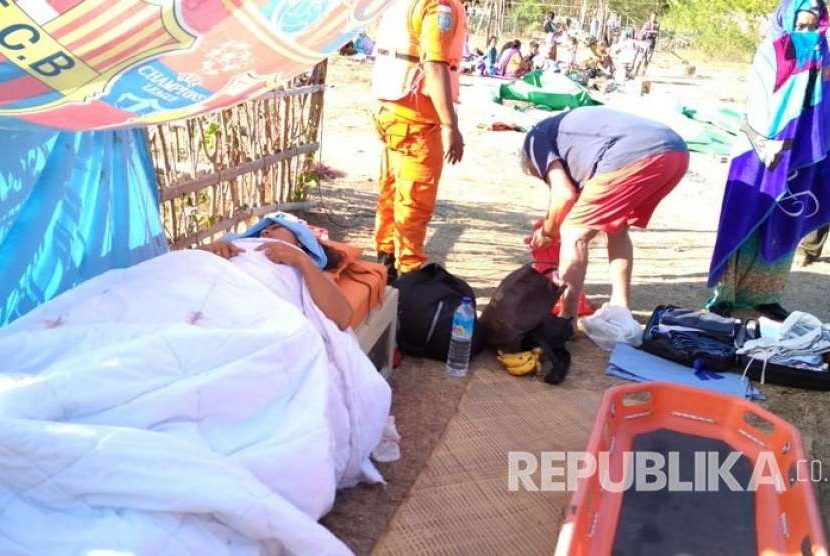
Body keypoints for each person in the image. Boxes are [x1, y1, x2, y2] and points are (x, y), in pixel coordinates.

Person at [707, 0, 830, 320]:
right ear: (786, 22)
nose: (807, 34)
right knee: (746, 213)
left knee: (787, 217)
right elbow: (763, 101)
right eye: (800, 27)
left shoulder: (822, 53)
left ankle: (766, 295)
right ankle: (726, 294)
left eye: (813, 27)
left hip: (806, 151)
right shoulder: (771, 51)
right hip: (762, 148)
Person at [520, 107, 689, 334]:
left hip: (634, 154)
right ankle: (620, 308)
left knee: (573, 233)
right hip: (676, 153)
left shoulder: (535, 141)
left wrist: (548, 234)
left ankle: (566, 320)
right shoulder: (567, 139)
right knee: (617, 228)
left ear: (531, 163)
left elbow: (563, 194)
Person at [370, 0, 467, 281]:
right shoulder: (439, 7)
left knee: (392, 193)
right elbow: (435, 64)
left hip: (390, 107)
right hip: (415, 115)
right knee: (414, 201)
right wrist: (450, 124)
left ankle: (384, 270)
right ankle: (406, 282)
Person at [199, 214, 354, 330]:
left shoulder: (306, 268)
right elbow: (185, 268)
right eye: (264, 229)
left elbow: (343, 317)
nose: (265, 232)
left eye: (276, 228)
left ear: (300, 242)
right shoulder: (238, 245)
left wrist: (303, 261)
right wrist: (206, 252)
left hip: (249, 315)